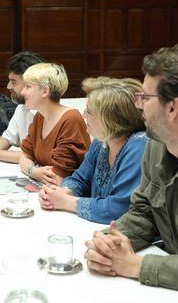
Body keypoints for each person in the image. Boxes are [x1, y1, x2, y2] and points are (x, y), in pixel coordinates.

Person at [84, 45, 178, 295]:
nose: (138, 105)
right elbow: (145, 212)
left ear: (173, 108)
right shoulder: (157, 145)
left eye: (144, 98)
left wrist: (137, 265)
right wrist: (112, 242)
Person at [39, 78, 147, 224]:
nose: (84, 116)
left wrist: (66, 202)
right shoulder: (102, 142)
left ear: (110, 119)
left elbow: (119, 209)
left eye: (89, 112)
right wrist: (62, 192)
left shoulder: (139, 146)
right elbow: (79, 179)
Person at [19, 63, 91, 185]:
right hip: (47, 189)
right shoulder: (39, 117)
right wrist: (34, 171)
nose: (22, 92)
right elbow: (24, 156)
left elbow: (58, 178)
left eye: (28, 86)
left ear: (45, 91)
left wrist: (33, 170)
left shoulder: (71, 119)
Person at [0, 51, 44, 163]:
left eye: (14, 82)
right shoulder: (21, 109)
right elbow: (6, 139)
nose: (8, 86)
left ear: (31, 83)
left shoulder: (46, 113)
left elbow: (36, 156)